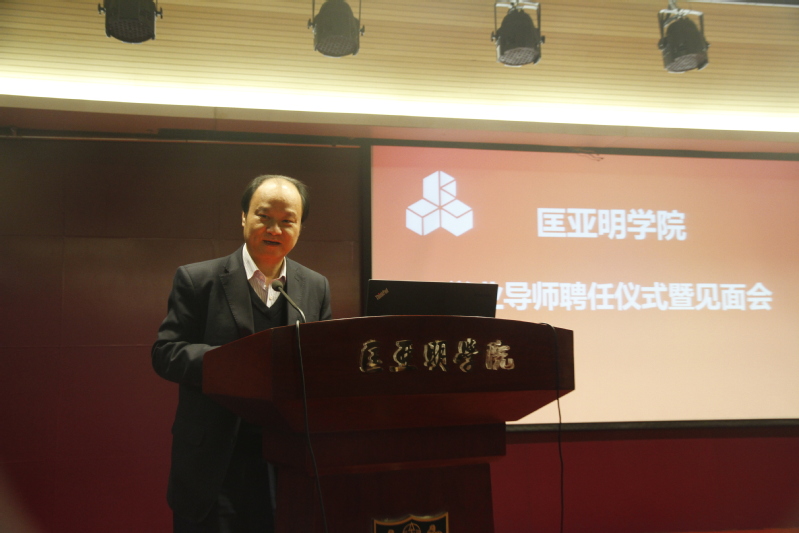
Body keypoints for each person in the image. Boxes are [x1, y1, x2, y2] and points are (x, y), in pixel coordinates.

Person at [152, 175, 332, 533]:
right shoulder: (198, 280)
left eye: (287, 220)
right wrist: (233, 364)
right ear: (244, 217)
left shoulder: (315, 287)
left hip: (286, 460)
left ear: (300, 227)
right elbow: (166, 353)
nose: (275, 229)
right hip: (214, 464)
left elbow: (323, 363)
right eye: (264, 216)